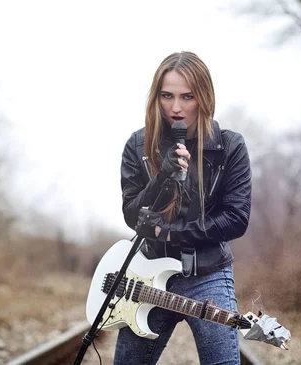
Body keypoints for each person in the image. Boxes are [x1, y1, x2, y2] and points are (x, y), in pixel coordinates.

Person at [117, 51, 252, 365]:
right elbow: (131, 215)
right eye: (167, 96)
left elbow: (236, 218)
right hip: (150, 273)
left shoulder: (230, 146)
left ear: (203, 98)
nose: (175, 107)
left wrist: (173, 232)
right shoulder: (138, 146)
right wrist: (162, 175)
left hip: (209, 274)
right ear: (156, 97)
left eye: (186, 96)